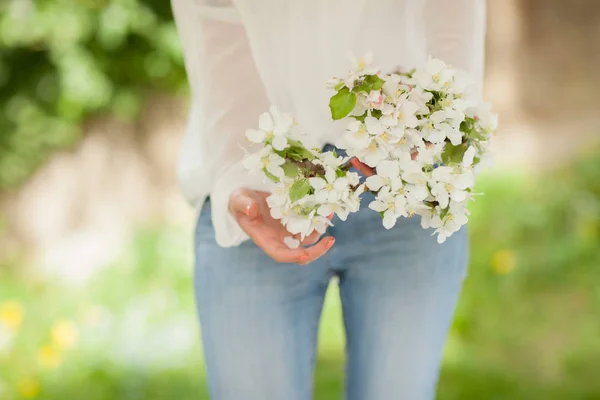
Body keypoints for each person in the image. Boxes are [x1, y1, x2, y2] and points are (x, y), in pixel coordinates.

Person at [171, 1, 486, 398]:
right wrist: (242, 171)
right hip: (263, 188)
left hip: (407, 175)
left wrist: (442, 117)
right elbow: (216, 17)